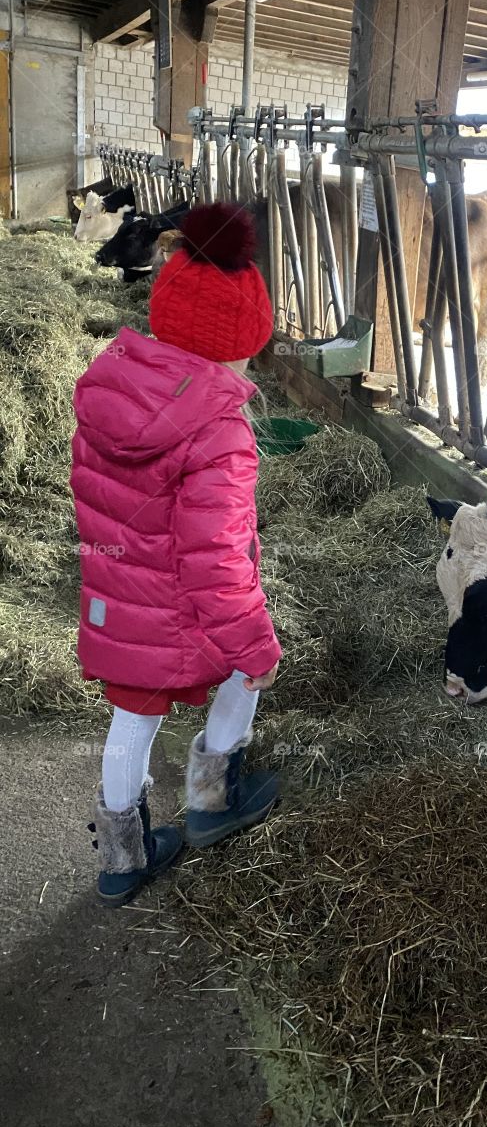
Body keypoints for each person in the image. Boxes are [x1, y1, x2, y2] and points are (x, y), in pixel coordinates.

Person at [72, 202, 282, 907]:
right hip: (184, 611)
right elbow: (217, 560)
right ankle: (212, 797)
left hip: (119, 602)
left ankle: (123, 857)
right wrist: (255, 644)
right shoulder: (219, 432)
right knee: (245, 671)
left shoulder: (109, 386)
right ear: (235, 342)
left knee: (132, 714)